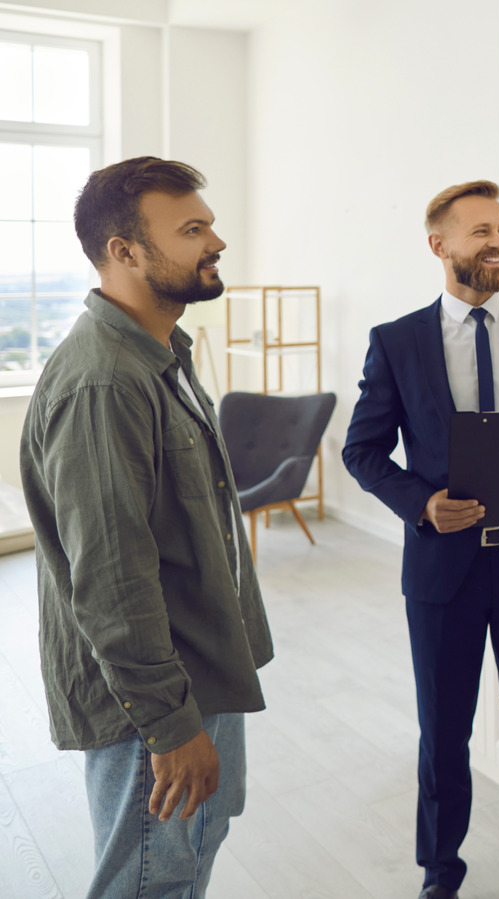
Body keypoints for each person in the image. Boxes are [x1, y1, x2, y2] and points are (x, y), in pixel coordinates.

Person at [20, 156, 273, 897]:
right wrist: (169, 724)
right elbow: (113, 581)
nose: (216, 241)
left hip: (200, 665)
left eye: (209, 224)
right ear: (123, 251)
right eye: (192, 229)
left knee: (189, 851)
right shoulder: (105, 381)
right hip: (156, 698)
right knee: (150, 878)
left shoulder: (159, 354)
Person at [343, 180, 499, 899]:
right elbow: (361, 452)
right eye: (481, 231)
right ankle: (440, 870)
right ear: (440, 245)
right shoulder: (396, 342)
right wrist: (420, 503)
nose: (497, 242)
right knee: (444, 731)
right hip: (443, 566)